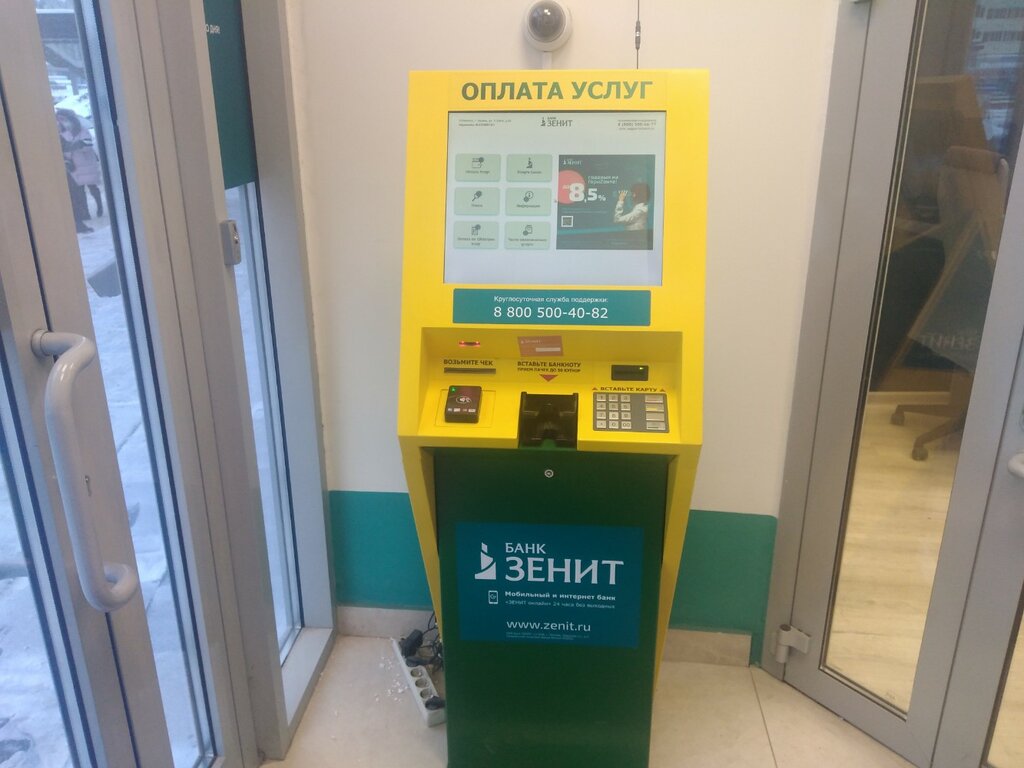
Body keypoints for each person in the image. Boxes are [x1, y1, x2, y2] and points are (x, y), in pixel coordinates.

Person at [56, 108, 103, 233]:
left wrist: (77, 145)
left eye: (63, 119)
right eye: (59, 119)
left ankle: (99, 206)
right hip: (73, 166)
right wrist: (67, 158)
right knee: (78, 191)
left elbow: (88, 144)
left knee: (92, 187)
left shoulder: (81, 130)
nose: (61, 122)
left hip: (86, 164)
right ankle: (84, 213)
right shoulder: (61, 133)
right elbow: (62, 149)